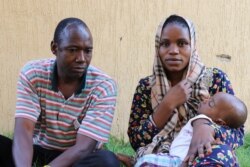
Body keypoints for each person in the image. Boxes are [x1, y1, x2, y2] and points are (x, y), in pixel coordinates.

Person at [127, 14, 246, 166]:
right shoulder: (146, 87)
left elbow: (238, 133)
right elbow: (136, 141)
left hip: (203, 154)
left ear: (193, 46)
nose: (173, 51)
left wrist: (204, 126)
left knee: (222, 153)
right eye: (165, 44)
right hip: (161, 157)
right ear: (158, 47)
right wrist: (166, 105)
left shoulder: (215, 79)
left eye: (182, 43)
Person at [0, 17, 120, 167]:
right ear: (54, 48)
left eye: (87, 51)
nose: (82, 59)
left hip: (76, 159)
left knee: (107, 161)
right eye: (73, 50)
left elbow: (84, 148)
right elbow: (24, 131)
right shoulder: (33, 73)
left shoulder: (104, 86)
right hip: (38, 150)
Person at [135, 92, 248, 167]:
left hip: (178, 160)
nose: (205, 100)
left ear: (219, 122)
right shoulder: (203, 123)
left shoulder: (203, 119)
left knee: (145, 161)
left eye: (211, 103)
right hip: (186, 161)